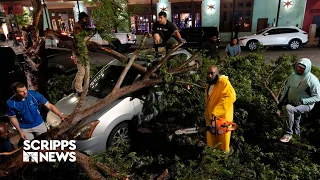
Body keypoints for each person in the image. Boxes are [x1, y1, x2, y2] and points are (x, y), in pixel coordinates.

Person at [277, 58, 320, 143]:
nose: (299, 69)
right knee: (296, 120)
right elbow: (286, 89)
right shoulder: (293, 75)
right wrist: (280, 102)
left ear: (307, 68)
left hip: (306, 105)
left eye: (302, 68)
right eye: (298, 67)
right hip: (293, 102)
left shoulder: (312, 80)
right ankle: (297, 138)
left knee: (289, 108)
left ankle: (287, 134)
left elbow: (317, 97)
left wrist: (302, 101)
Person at [205, 65, 236, 152]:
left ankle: (224, 162)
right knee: (212, 144)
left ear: (217, 74)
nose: (210, 75)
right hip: (211, 120)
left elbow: (231, 96)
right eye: (208, 73)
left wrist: (216, 112)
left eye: (212, 73)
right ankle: (213, 162)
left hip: (222, 120)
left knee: (223, 144)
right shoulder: (209, 85)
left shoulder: (224, 82)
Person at [72, 12, 90, 95]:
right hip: (79, 52)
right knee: (82, 72)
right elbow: (80, 40)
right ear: (81, 18)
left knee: (87, 71)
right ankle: (79, 90)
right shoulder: (77, 26)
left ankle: (83, 88)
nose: (86, 20)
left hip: (83, 51)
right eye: (85, 19)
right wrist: (88, 35)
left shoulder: (81, 26)